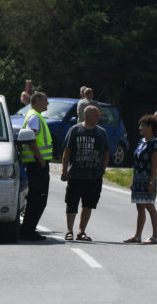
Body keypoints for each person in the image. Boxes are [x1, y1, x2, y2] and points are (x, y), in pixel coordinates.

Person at [60, 105, 109, 241]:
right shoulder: (75, 130)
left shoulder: (101, 132)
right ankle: (69, 230)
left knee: (88, 204)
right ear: (87, 115)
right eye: (96, 115)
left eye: (98, 115)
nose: (98, 118)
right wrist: (64, 170)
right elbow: (67, 151)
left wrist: (103, 170)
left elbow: (106, 153)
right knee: (72, 203)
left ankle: (81, 231)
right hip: (76, 174)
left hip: (94, 176)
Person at [19, 92, 53, 241]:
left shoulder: (35, 115)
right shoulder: (34, 117)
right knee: (38, 199)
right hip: (37, 164)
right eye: (46, 100)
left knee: (37, 199)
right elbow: (31, 139)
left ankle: (27, 229)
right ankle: (28, 230)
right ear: (38, 100)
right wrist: (40, 159)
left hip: (37, 164)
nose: (48, 103)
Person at [123, 115, 157, 244]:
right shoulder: (141, 141)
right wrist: (133, 180)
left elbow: (155, 164)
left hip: (148, 179)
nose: (140, 128)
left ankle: (155, 236)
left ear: (150, 127)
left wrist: (151, 182)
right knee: (140, 207)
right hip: (138, 178)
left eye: (142, 125)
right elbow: (137, 162)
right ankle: (137, 236)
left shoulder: (154, 143)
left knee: (149, 206)